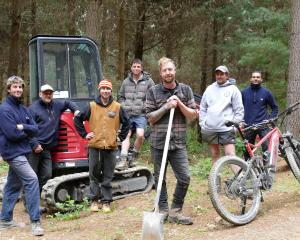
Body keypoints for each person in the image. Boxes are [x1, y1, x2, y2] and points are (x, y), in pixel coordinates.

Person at [145, 57, 197, 225]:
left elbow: (192, 115)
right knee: (160, 178)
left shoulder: (186, 90)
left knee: (185, 177)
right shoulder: (153, 91)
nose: (168, 72)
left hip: (179, 143)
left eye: (170, 69)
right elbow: (150, 118)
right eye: (165, 70)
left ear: (175, 70)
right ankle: (163, 211)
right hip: (158, 142)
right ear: (160, 73)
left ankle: (175, 211)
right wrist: (166, 107)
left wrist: (179, 103)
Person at [74, 79, 130, 213]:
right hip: (95, 146)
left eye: (108, 89)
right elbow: (77, 119)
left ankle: (106, 202)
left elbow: (127, 123)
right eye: (103, 89)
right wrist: (84, 134)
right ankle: (94, 201)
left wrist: (120, 137)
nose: (105, 91)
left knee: (108, 175)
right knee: (93, 175)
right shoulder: (91, 106)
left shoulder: (117, 107)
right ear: (99, 90)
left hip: (111, 146)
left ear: (111, 91)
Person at [0, 76, 44, 236]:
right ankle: (35, 222)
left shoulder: (23, 108)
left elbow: (36, 128)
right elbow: (12, 134)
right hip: (12, 152)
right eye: (14, 87)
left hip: (22, 151)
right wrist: (27, 132)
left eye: (20, 87)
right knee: (32, 180)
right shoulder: (4, 110)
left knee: (13, 185)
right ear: (9, 89)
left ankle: (5, 220)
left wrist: (23, 127)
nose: (18, 89)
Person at [28, 84, 80, 194]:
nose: (48, 95)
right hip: (34, 149)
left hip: (46, 149)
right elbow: (27, 129)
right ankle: (29, 204)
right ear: (40, 94)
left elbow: (67, 102)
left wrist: (75, 110)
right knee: (31, 176)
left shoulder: (56, 104)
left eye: (50, 93)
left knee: (47, 175)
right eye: (45, 93)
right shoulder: (33, 109)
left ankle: (40, 200)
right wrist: (35, 144)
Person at [199, 65, 244, 164]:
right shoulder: (210, 89)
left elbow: (239, 110)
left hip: (227, 129)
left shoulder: (233, 89)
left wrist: (235, 126)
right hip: (210, 128)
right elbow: (203, 108)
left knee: (230, 154)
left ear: (227, 75)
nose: (219, 76)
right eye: (217, 74)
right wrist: (203, 123)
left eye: (221, 74)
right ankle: (215, 178)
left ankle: (240, 178)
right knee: (215, 154)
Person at [117, 58, 155, 169]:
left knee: (140, 135)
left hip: (141, 114)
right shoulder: (126, 81)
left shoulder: (148, 81)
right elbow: (120, 96)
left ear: (141, 68)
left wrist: (144, 107)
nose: (136, 68)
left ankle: (133, 157)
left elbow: (153, 96)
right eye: (134, 66)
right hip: (127, 114)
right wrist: (124, 106)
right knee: (126, 135)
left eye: (138, 66)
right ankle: (123, 160)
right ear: (131, 68)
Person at [241, 71, 278, 160]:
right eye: (254, 77)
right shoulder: (243, 92)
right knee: (247, 151)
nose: (255, 79)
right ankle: (249, 171)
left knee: (267, 150)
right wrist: (241, 121)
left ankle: (267, 171)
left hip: (263, 126)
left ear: (261, 79)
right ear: (251, 79)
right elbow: (238, 108)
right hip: (248, 126)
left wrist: (270, 119)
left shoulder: (266, 92)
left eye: (258, 77)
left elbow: (275, 108)